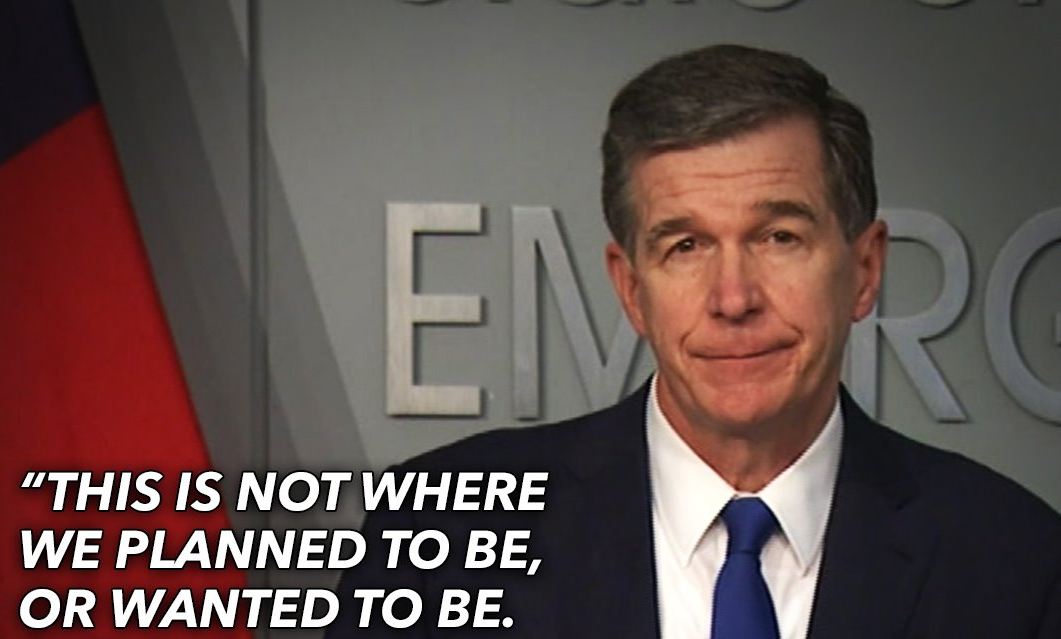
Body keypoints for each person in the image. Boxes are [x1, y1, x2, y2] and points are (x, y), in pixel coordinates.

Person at [328, 44, 1061, 638]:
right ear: (630, 288)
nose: (733, 298)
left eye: (778, 237)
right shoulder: (443, 535)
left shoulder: (1015, 562)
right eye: (685, 246)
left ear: (864, 269)